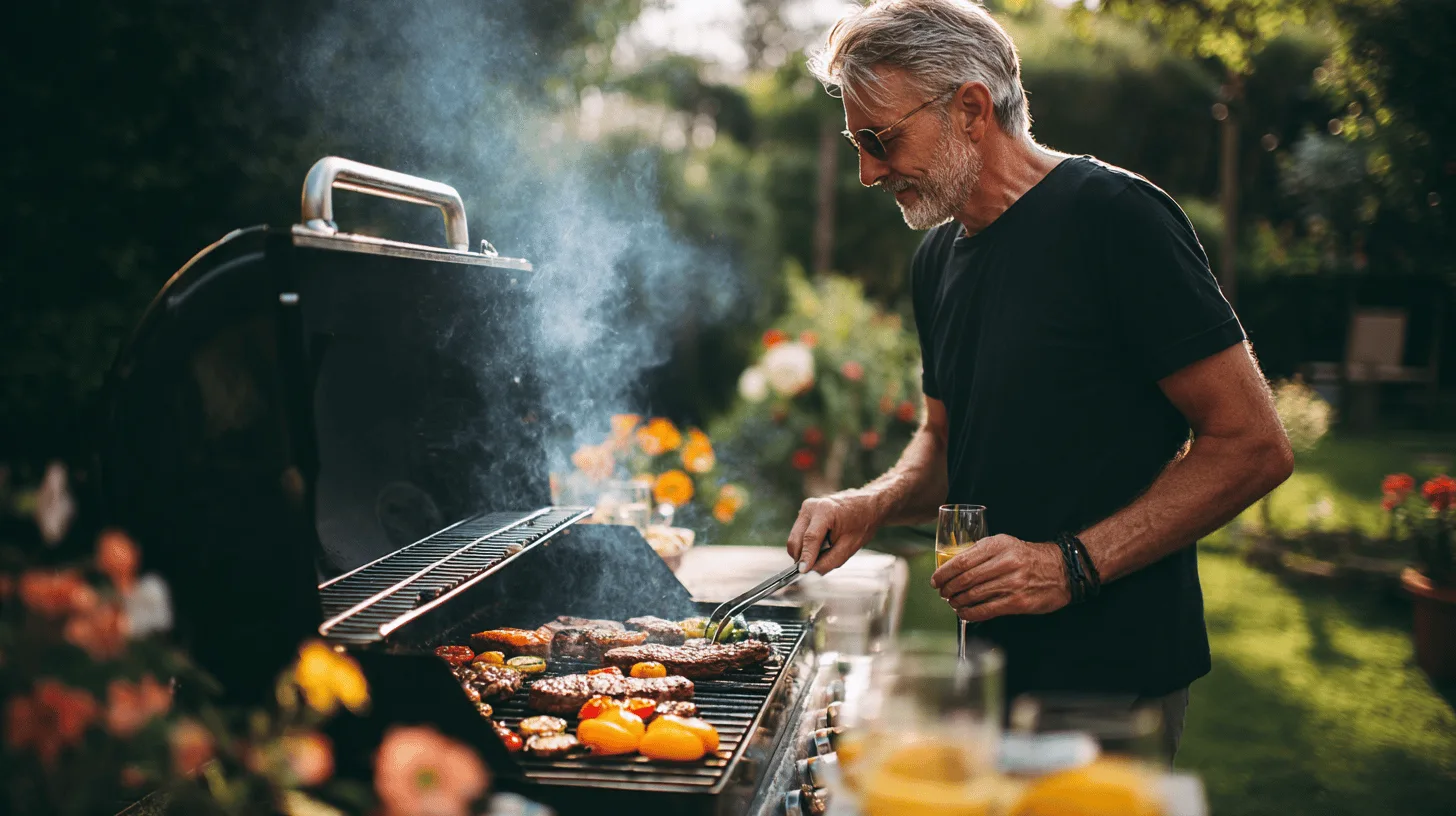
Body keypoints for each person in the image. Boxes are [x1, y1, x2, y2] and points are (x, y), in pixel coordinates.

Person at [786, 0, 1294, 761]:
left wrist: (1071, 565)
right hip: (987, 673)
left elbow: (1253, 444)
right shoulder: (935, 258)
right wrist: (871, 505)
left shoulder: (1116, 219)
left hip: (1114, 686)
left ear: (970, 109)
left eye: (880, 139)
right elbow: (946, 440)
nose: (866, 172)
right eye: (857, 143)